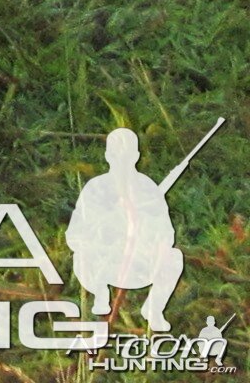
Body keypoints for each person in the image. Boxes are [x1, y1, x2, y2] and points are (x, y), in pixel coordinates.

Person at [68, 128, 187, 332]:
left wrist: (146, 234)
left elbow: (166, 234)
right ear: (107, 156)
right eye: (116, 154)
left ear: (137, 156)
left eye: (127, 154)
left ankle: (153, 309)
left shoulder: (147, 188)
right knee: (82, 256)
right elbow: (74, 235)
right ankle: (100, 296)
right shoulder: (95, 187)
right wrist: (103, 234)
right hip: (102, 263)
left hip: (138, 263)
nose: (122, 160)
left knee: (174, 258)